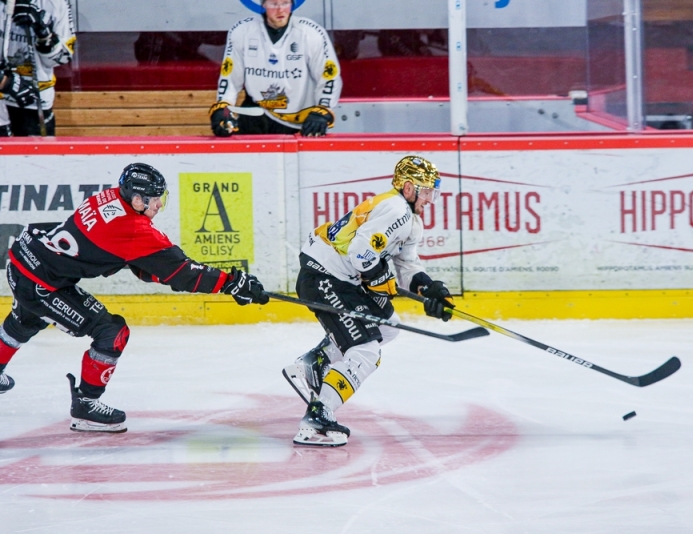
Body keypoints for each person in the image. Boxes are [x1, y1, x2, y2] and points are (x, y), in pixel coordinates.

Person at [0, 163, 270, 433]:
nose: (160, 205)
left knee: (25, 321)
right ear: (138, 199)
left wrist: (164, 274)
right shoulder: (132, 227)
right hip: (40, 282)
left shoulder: (111, 197)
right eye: (156, 199)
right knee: (111, 332)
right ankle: (86, 406)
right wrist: (232, 283)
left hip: (26, 258)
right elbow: (182, 272)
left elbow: (137, 261)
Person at [282, 156, 454, 447]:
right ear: (409, 188)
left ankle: (315, 362)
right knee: (365, 350)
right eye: (426, 191)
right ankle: (318, 417)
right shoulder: (396, 209)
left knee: (388, 327)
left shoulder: (410, 221)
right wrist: (376, 278)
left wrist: (431, 290)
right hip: (325, 276)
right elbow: (361, 253)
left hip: (337, 278)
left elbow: (406, 268)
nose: (430, 199)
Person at [209, 0, 342, 137]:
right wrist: (223, 108)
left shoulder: (310, 33)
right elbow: (230, 78)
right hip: (256, 114)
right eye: (274, 3)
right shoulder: (242, 31)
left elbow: (329, 77)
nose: (280, 10)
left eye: (285, 3)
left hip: (298, 121)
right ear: (263, 5)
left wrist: (323, 110)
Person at [0, 0, 75, 136]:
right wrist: (5, 81)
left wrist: (45, 36)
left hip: (33, 101)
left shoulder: (55, 3)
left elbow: (63, 58)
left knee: (34, 155)